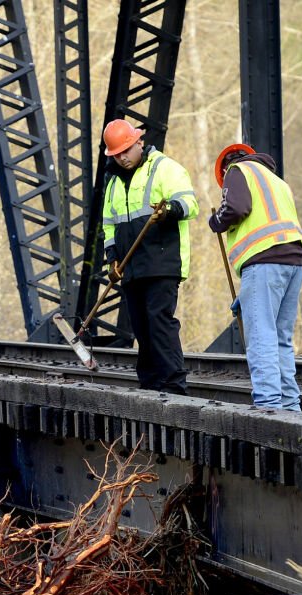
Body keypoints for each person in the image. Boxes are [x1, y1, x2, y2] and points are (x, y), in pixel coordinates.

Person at [98, 119, 199, 393]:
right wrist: (112, 257)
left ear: (139, 142)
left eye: (126, 150)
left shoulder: (165, 168)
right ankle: (151, 385)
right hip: (131, 267)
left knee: (159, 322)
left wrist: (169, 211)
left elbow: (191, 204)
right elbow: (109, 224)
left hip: (161, 261)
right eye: (116, 154)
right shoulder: (113, 183)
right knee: (141, 327)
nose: (122, 157)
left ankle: (173, 386)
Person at [207, 143, 302, 411]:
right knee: (281, 338)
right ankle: (290, 405)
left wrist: (217, 220)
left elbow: (237, 208)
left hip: (263, 261)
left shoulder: (237, 171)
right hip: (293, 262)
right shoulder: (276, 180)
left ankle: (268, 405)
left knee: (261, 334)